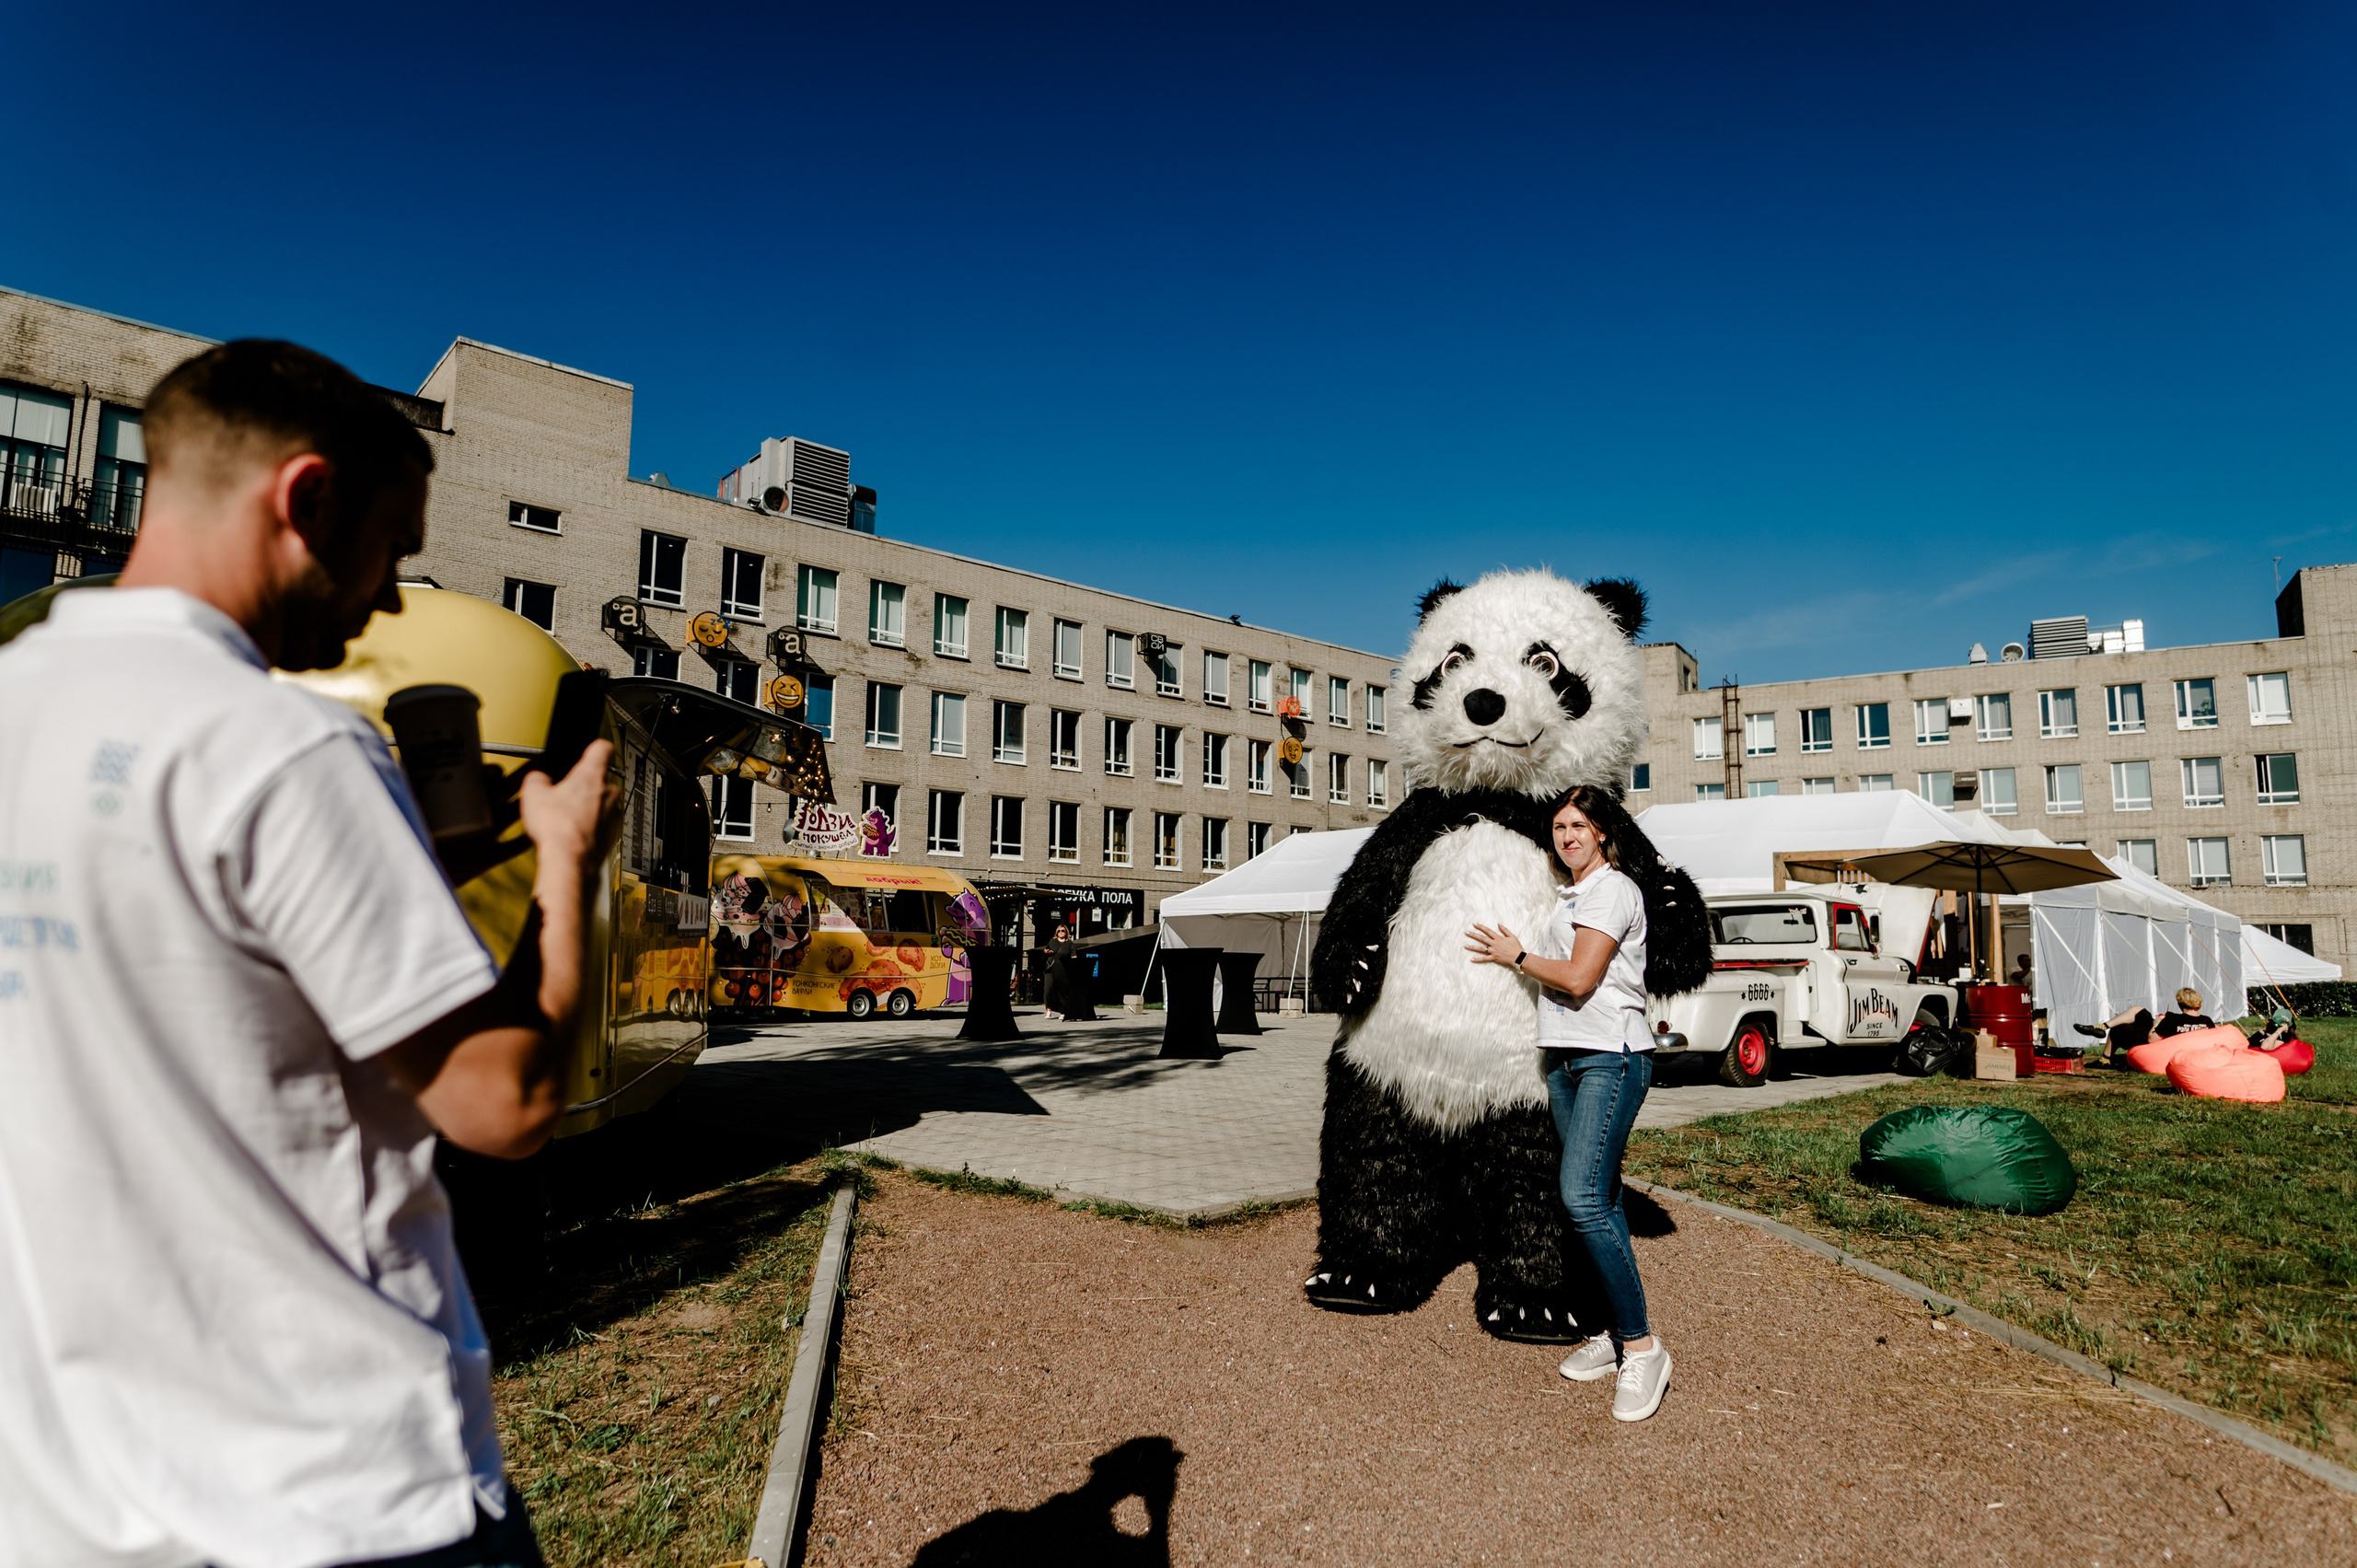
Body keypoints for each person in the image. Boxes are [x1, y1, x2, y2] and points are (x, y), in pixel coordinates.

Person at [0, 340, 618, 1568]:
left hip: (64, 1500)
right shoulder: (285, 746)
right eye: (393, 547)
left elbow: (179, 955)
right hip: (331, 1491)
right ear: (308, 500)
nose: (387, 598)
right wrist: (563, 858)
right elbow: (507, 1100)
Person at [1465, 785, 1671, 1423]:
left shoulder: (1613, 889)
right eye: (1559, 825)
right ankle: (1612, 1334)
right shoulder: (1575, 894)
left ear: (1604, 831)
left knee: (1580, 1197)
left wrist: (1517, 956)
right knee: (1598, 1198)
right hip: (1567, 1059)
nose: (1567, 835)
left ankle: (1642, 1346)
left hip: (1611, 1055)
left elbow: (1581, 977)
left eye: (1579, 824)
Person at [2073, 987, 2213, 1064]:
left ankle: (2105, 1056)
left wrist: (2157, 1022)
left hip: (2156, 1045)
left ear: (2180, 1003)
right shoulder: (2208, 1021)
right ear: (2199, 1004)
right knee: (2140, 1011)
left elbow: (2152, 1039)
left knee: (2120, 1027)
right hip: (2179, 1044)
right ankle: (2101, 1027)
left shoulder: (2174, 1019)